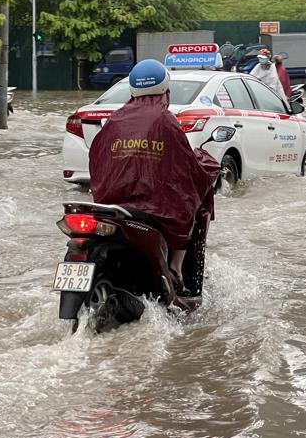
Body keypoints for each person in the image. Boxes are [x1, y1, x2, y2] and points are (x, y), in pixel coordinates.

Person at [88, 60, 218, 288]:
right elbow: (186, 166)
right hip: (154, 208)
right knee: (189, 205)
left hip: (112, 205)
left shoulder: (115, 119)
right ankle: (176, 269)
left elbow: (97, 159)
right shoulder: (165, 120)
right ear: (165, 89)